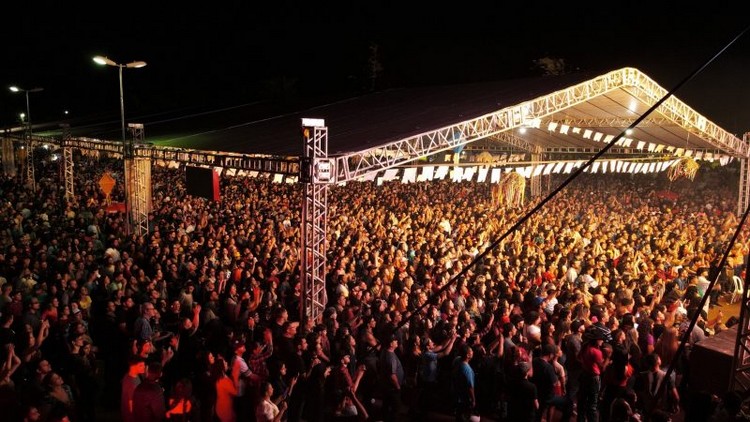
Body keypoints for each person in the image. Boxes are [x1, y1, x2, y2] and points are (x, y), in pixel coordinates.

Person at [578, 326, 609, 422]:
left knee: (582, 401)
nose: (602, 341)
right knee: (593, 404)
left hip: (585, 374)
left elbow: (579, 358)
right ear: (596, 340)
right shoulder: (596, 352)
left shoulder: (586, 346)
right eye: (601, 339)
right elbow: (602, 368)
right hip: (593, 378)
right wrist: (608, 357)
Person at [378, 335, 404, 422]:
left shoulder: (384, 351)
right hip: (393, 388)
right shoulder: (391, 357)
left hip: (386, 386)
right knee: (396, 408)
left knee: (386, 406)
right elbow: (392, 375)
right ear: (390, 344)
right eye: (395, 341)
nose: (397, 342)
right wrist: (398, 387)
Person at [451, 343, 476, 422]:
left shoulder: (457, 359)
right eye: (471, 351)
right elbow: (470, 387)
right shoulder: (467, 369)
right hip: (464, 397)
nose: (473, 352)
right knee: (463, 417)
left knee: (458, 415)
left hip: (456, 393)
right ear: (467, 355)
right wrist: (473, 399)